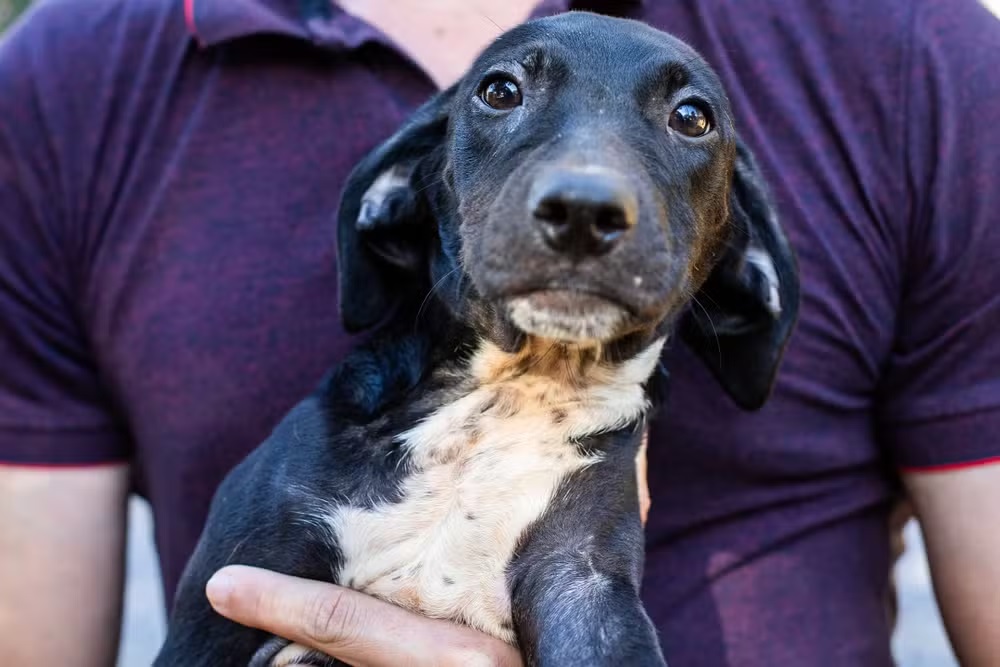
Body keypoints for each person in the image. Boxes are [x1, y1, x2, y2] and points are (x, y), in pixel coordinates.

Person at [1, 0, 999, 665]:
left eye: (687, 119)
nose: (587, 192)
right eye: (506, 94)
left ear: (743, 274)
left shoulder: (919, 55)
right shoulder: (66, 80)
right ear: (398, 204)